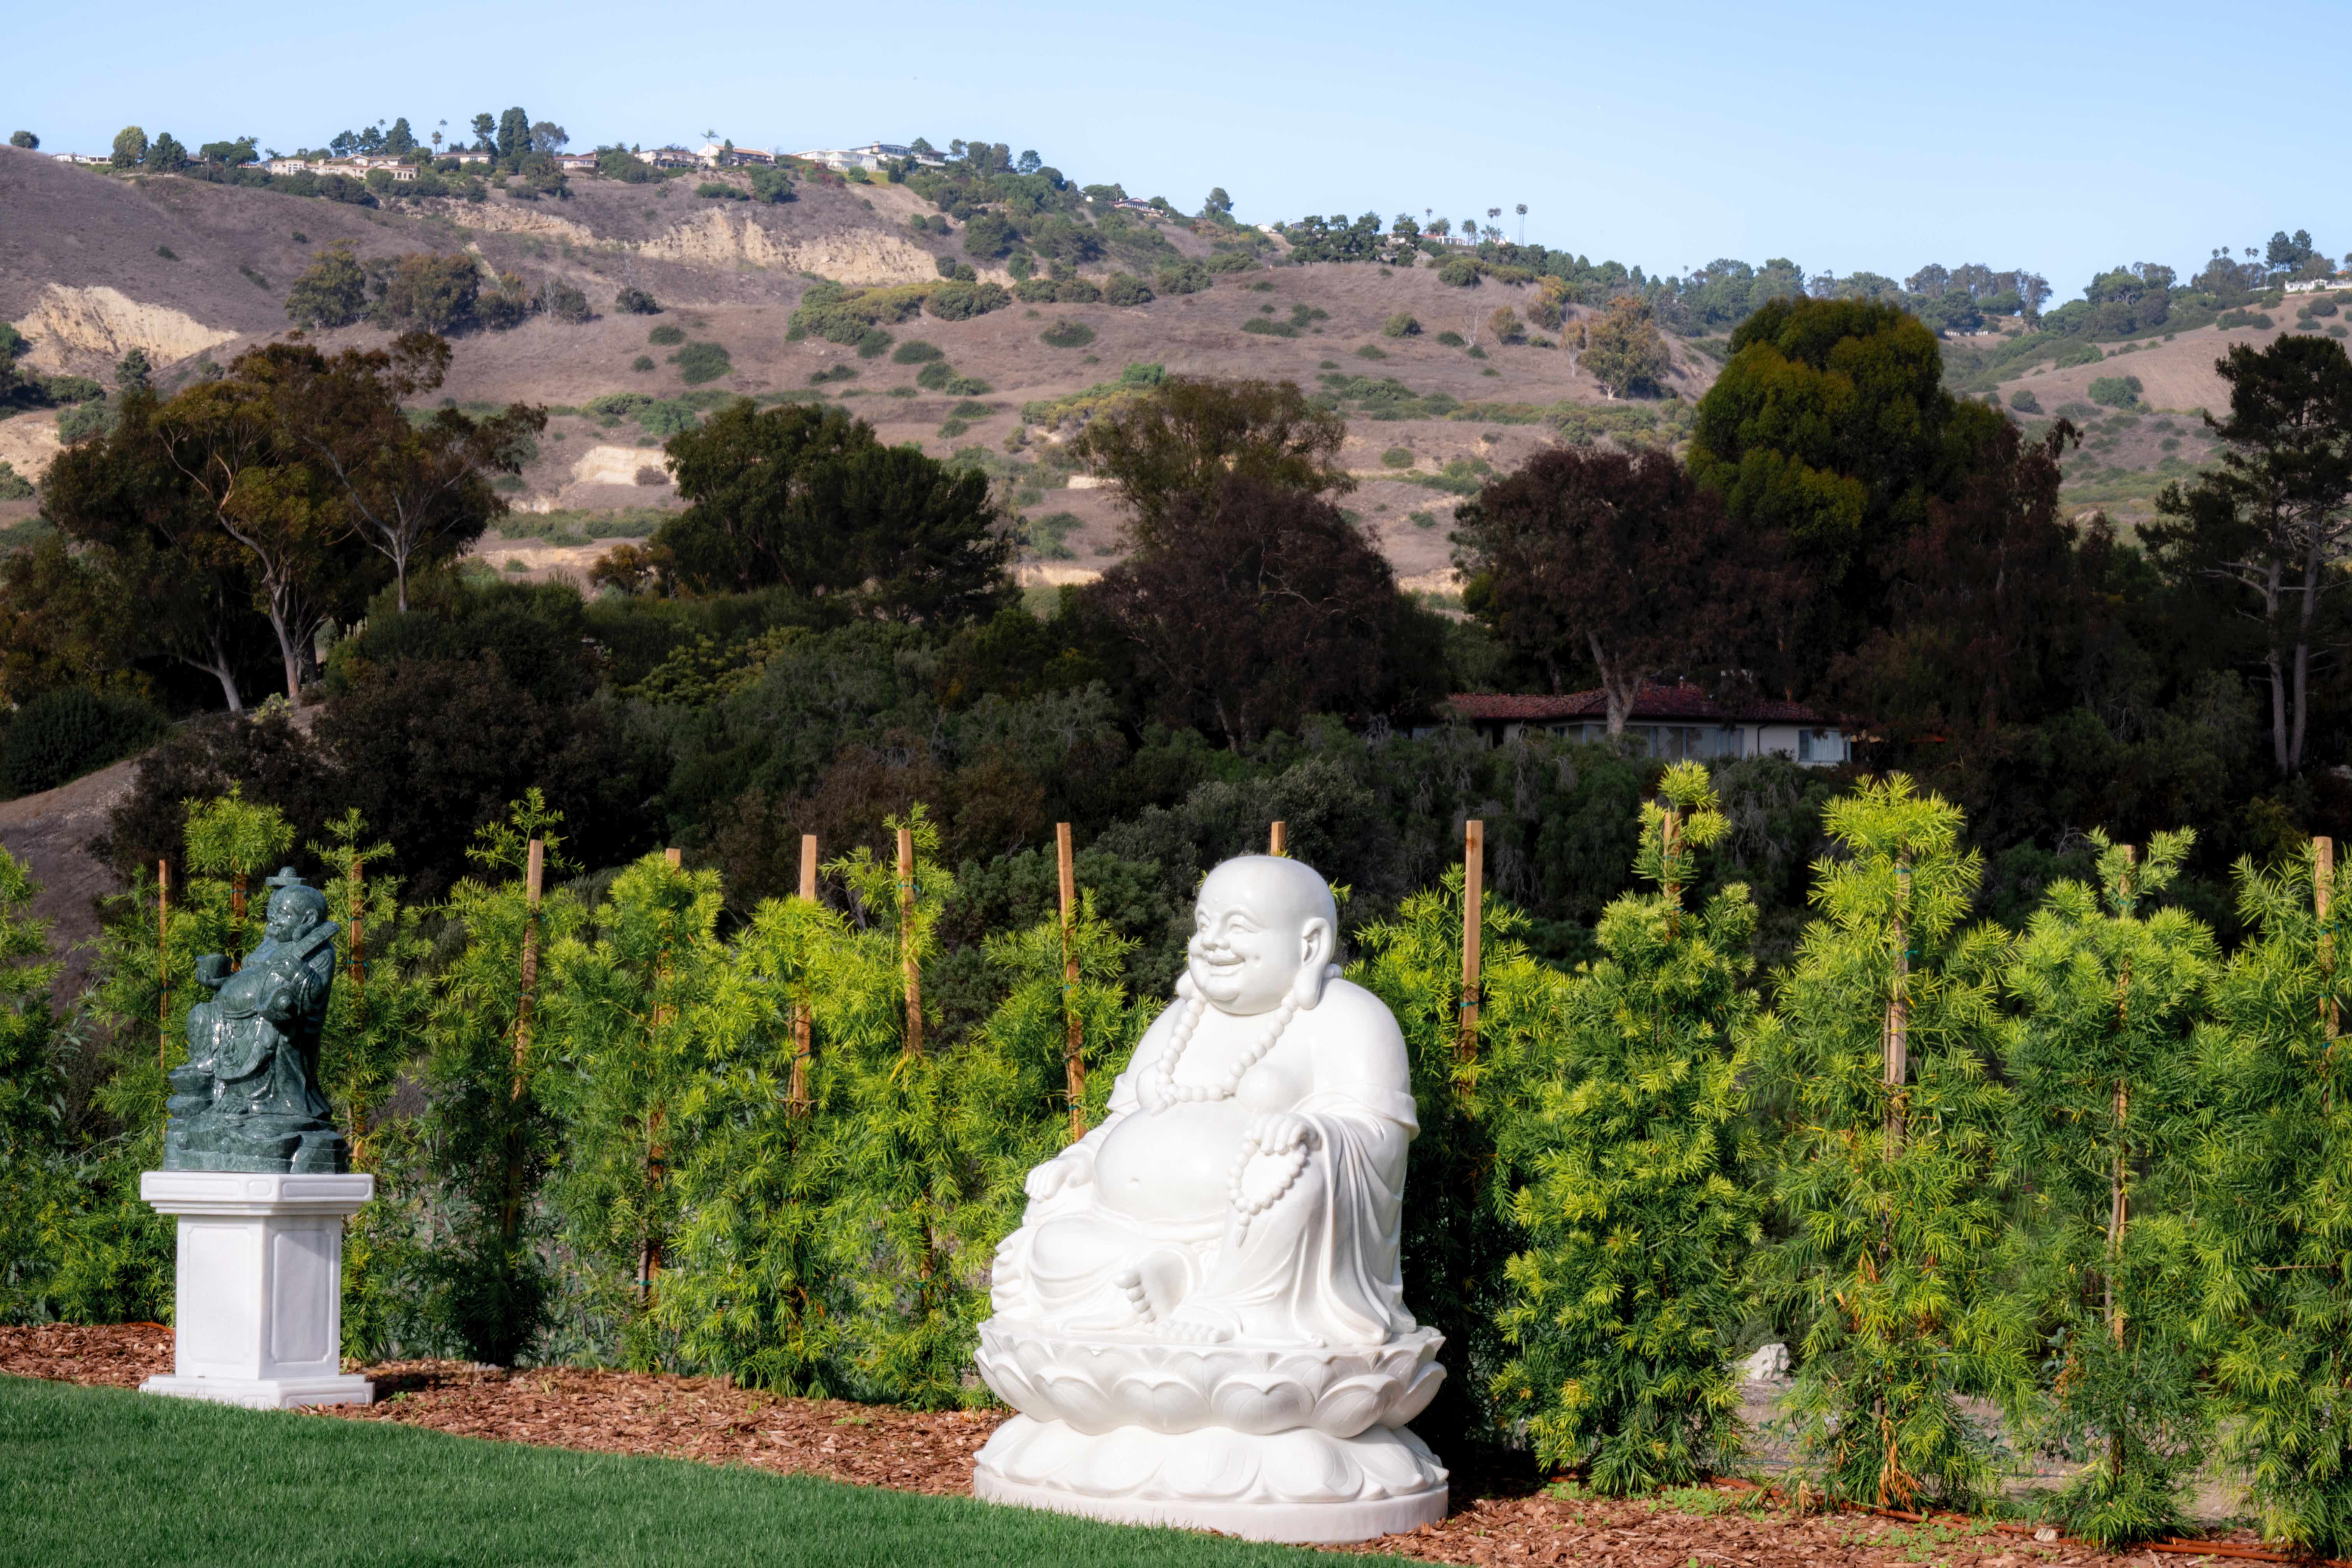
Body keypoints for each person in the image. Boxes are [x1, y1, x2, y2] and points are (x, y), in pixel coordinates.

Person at [990, 855, 1419, 1348]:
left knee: (1294, 1170)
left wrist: (1315, 1133)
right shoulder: (1180, 1018)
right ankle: (1169, 1273)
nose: (1211, 942)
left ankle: (1228, 1301)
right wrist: (1080, 1159)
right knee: (1053, 1241)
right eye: (1204, 924)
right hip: (1124, 1227)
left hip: (1252, 1243)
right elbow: (1124, 1120)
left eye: (1238, 927)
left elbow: (1380, 1140)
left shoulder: (1350, 1018)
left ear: (1310, 944)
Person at [165, 868, 348, 1173]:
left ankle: (258, 1103)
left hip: (283, 1028)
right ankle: (216, 1091)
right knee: (202, 1014)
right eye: (272, 913)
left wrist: (294, 974)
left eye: (283, 915)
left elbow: (311, 996)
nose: (273, 921)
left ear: (307, 920)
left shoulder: (320, 951)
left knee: (273, 1024)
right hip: (235, 1017)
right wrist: (225, 983)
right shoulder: (272, 942)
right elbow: (252, 977)